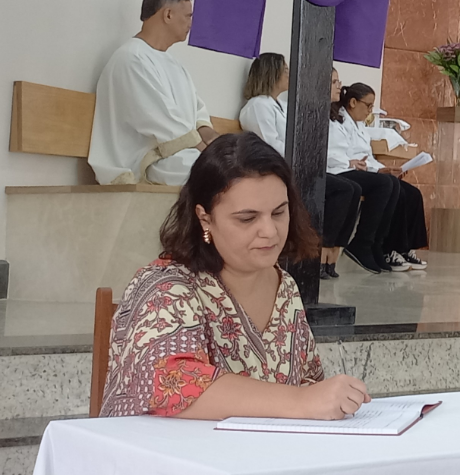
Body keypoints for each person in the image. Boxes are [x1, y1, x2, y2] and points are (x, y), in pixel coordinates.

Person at [100, 133, 371, 419]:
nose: (270, 231)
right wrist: (301, 401)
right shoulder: (165, 287)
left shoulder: (285, 287)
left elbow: (309, 382)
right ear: (205, 218)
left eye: (279, 213)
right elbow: (170, 384)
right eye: (247, 218)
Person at [240, 55, 358, 279]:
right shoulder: (258, 105)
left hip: (294, 165)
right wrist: (301, 157)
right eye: (285, 70)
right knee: (340, 189)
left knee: (350, 188)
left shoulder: (281, 106)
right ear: (271, 74)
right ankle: (317, 254)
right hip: (275, 169)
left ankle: (331, 252)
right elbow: (269, 145)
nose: (289, 74)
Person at [89, 0, 219, 185]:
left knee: (239, 173)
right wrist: (211, 155)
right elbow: (163, 124)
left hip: (175, 156)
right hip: (145, 161)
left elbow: (196, 110)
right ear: (168, 15)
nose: (191, 23)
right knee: (220, 176)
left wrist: (213, 138)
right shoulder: (132, 59)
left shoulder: (175, 65)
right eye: (188, 16)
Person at [328, 77, 428, 273]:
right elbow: (332, 153)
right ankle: (366, 243)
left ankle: (395, 247)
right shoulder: (336, 120)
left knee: (409, 192)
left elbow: (368, 157)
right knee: (385, 185)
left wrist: (383, 169)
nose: (369, 111)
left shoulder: (360, 126)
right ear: (353, 102)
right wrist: (351, 163)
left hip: (358, 169)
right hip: (340, 170)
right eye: (368, 106)